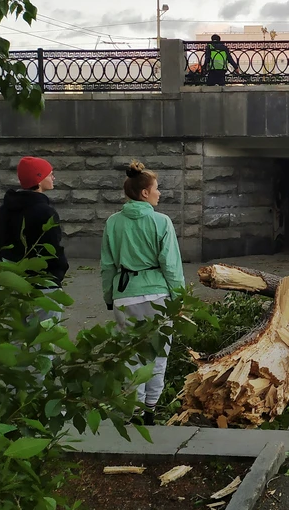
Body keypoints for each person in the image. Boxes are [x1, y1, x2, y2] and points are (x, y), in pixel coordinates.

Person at [101, 160, 184, 425]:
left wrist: (109, 297)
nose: (160, 193)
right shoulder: (162, 222)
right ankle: (151, 410)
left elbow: (107, 266)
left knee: (132, 356)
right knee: (159, 355)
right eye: (157, 188)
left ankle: (132, 411)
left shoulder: (113, 223)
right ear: (145, 193)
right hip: (157, 296)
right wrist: (179, 299)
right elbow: (171, 265)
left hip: (125, 295)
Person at [0, 156, 69, 385]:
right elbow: (53, 249)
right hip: (43, 286)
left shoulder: (3, 210)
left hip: (12, 285)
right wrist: (57, 275)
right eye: (49, 173)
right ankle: (36, 395)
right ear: (38, 179)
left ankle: (13, 392)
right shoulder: (45, 212)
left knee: (15, 340)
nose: (53, 177)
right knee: (42, 344)